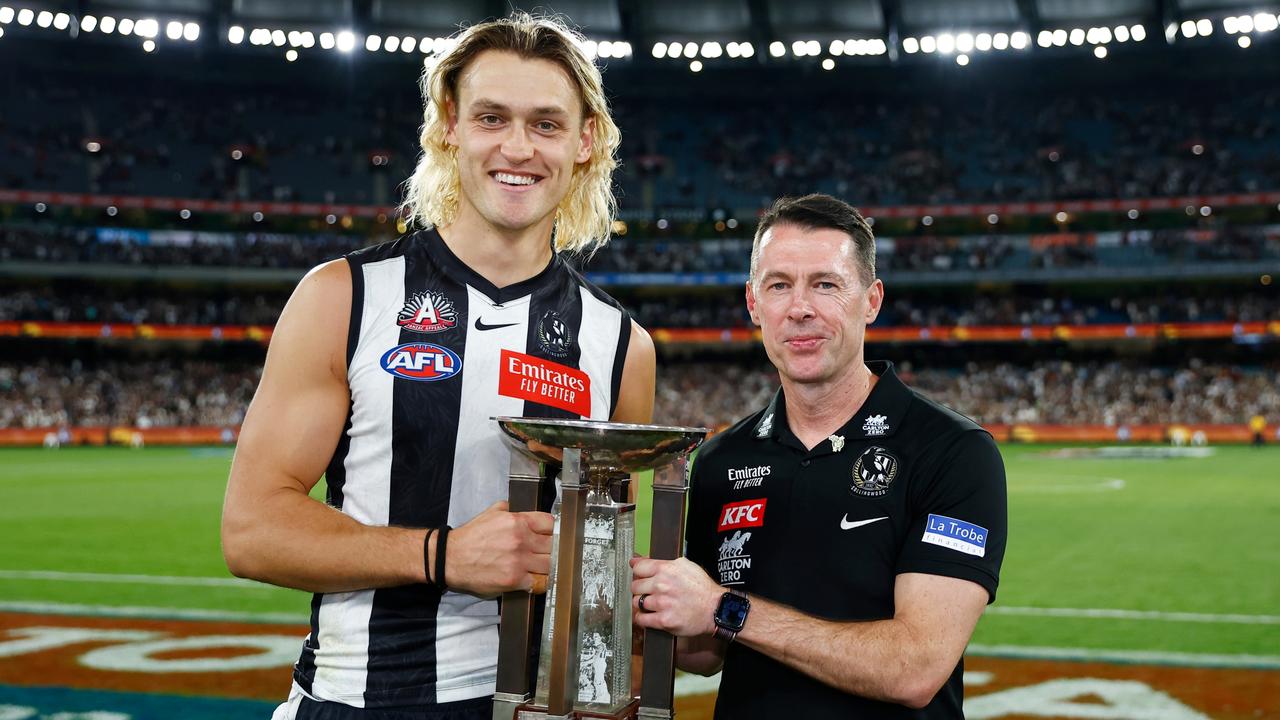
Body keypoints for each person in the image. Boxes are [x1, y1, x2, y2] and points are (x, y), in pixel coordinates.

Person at [221, 14, 655, 719]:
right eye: (492, 117)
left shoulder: (620, 344)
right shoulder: (344, 297)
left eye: (546, 124)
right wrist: (443, 555)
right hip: (358, 699)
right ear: (450, 125)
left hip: (536, 706)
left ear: (585, 142)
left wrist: (612, 692)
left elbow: (611, 562)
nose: (518, 147)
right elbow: (251, 530)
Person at [630, 194, 1006, 718]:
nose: (800, 308)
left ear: (871, 300)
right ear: (753, 303)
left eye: (826, 285)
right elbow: (703, 654)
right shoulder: (719, 460)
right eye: (779, 285)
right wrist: (637, 605)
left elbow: (916, 668)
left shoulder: (953, 451)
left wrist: (724, 609)